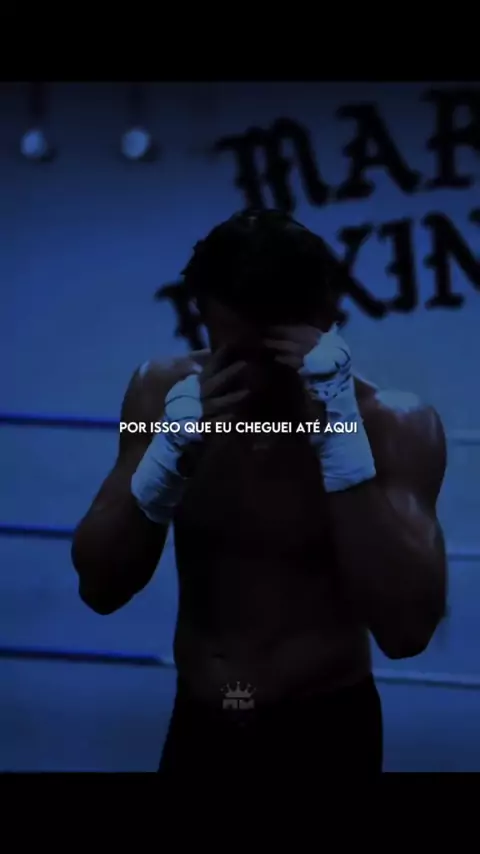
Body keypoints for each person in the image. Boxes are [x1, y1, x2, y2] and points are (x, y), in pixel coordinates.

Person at [71, 210, 447, 781]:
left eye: (276, 355)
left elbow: (407, 632)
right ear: (204, 319)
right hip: (203, 724)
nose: (258, 380)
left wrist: (338, 436)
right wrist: (169, 454)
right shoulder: (162, 396)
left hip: (326, 730)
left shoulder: (391, 425)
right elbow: (100, 587)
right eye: (236, 354)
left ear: (326, 322)